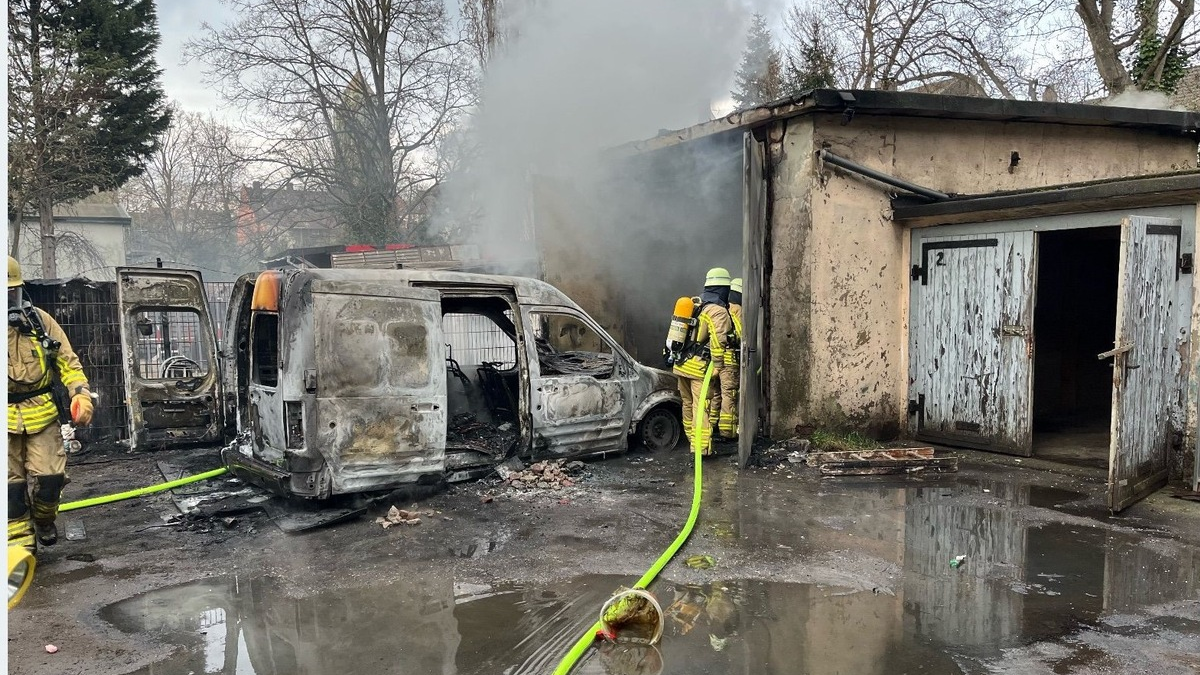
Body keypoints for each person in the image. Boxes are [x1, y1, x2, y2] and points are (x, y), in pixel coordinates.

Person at [8, 256, 92, 552]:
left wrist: (80, 393)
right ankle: (19, 547)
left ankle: (44, 519)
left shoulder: (40, 322)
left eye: (12, 293)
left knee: (51, 479)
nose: (9, 301)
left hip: (41, 415)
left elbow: (68, 362)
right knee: (10, 488)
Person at [672, 268, 733, 456]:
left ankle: (693, 442)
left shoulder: (695, 304)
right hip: (699, 368)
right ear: (723, 289)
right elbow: (718, 340)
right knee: (701, 407)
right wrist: (719, 365)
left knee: (687, 404)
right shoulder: (717, 311)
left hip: (681, 364)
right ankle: (702, 449)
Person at [717, 278, 743, 440]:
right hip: (729, 360)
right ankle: (727, 432)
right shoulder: (737, 309)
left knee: (715, 394)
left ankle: (712, 427)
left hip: (715, 360)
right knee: (729, 394)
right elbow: (740, 334)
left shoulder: (720, 307)